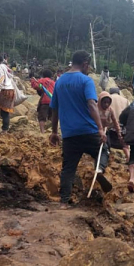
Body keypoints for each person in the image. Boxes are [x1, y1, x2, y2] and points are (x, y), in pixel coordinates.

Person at [49, 50, 112, 209]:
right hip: (89, 131)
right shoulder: (86, 81)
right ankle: (98, 169)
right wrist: (100, 129)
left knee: (68, 168)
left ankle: (63, 202)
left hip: (69, 134)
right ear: (85, 64)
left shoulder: (60, 82)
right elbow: (92, 104)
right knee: (103, 150)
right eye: (88, 65)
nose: (89, 68)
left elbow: (55, 110)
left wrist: (54, 132)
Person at [109, 87, 130, 162]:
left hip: (111, 126)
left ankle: (107, 158)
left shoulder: (108, 98)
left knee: (107, 143)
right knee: (125, 145)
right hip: (122, 126)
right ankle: (128, 158)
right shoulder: (125, 100)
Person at [31, 69, 55, 134]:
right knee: (52, 117)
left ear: (43, 75)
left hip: (45, 101)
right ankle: (53, 131)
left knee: (42, 117)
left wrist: (32, 80)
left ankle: (42, 131)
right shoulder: (53, 82)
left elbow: (35, 86)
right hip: (53, 101)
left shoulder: (42, 80)